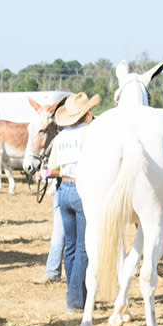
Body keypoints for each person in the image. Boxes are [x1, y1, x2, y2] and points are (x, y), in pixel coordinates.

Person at [44, 92, 100, 312]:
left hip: (63, 189)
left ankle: (75, 294)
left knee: (70, 245)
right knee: (84, 247)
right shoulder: (92, 133)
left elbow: (52, 170)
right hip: (83, 190)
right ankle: (76, 300)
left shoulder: (61, 137)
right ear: (86, 113)